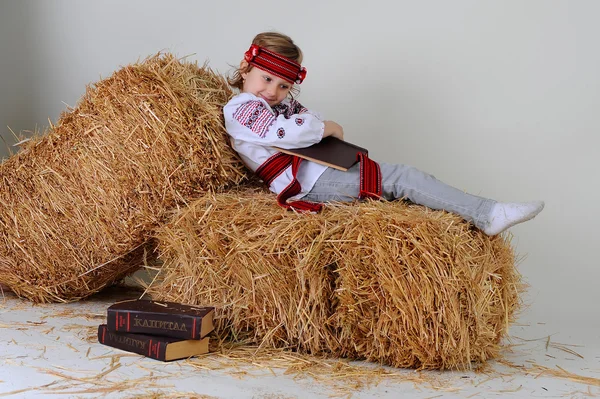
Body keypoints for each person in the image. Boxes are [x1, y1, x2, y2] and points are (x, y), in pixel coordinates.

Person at [223, 32, 544, 236]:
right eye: (266, 79)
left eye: (283, 85)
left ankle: (470, 216)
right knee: (399, 178)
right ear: (245, 68)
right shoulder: (241, 109)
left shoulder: (273, 106)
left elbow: (303, 118)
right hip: (306, 184)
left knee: (402, 178)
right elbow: (290, 132)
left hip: (319, 172)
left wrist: (315, 126)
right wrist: (328, 128)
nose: (273, 91)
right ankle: (487, 213)